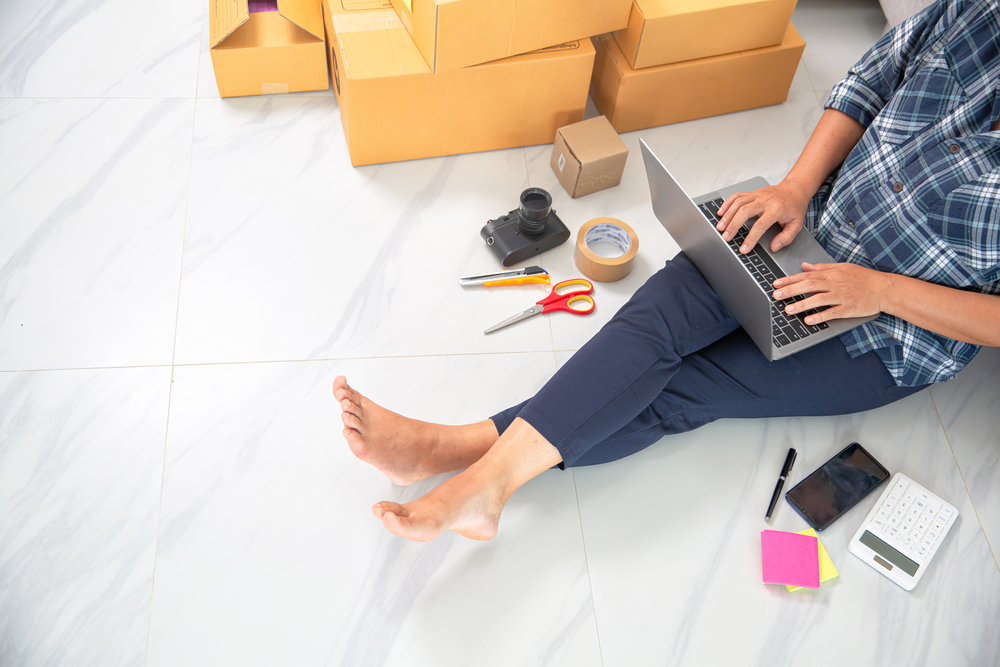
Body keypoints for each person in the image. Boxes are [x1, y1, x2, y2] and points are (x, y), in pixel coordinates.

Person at [334, 0, 1000, 543]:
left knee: (684, 387)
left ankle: (465, 465)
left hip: (891, 330)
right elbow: (871, 82)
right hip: (811, 224)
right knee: (656, 323)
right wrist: (796, 187)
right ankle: (456, 459)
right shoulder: (978, 10)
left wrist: (878, 289)